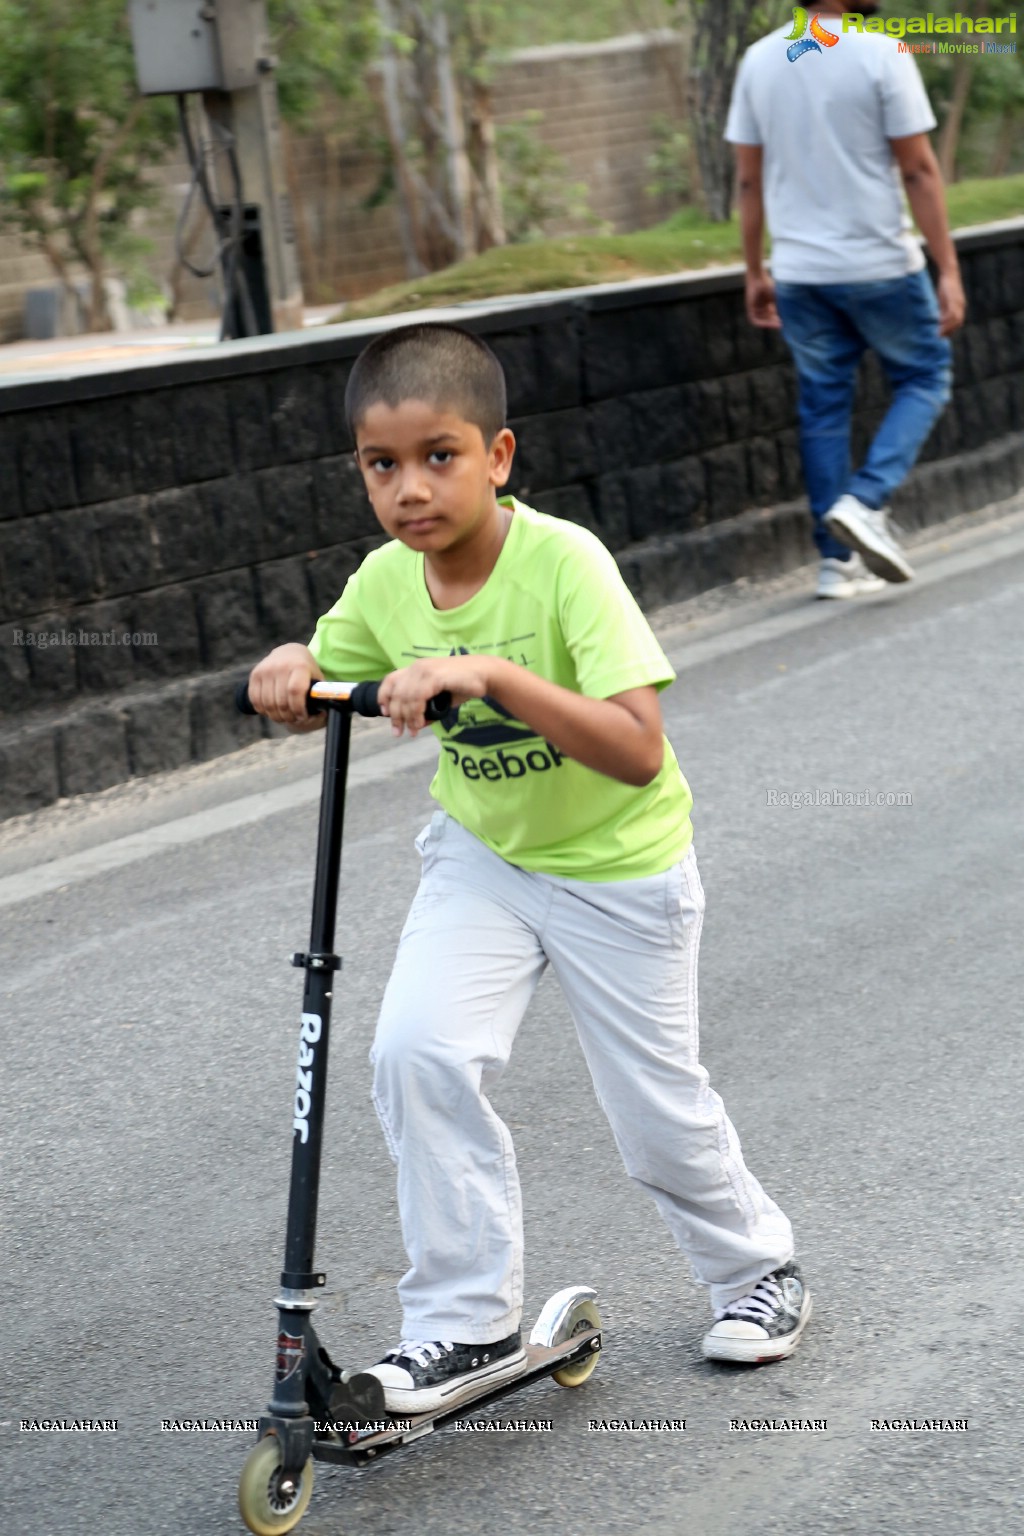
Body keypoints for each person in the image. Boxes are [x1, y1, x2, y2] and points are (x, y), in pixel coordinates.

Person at [247, 322, 811, 1413]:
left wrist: (492, 674)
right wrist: (291, 666)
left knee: (653, 1107)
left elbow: (637, 747)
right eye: (382, 465)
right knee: (416, 1053)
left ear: (498, 456)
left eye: (439, 456)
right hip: (486, 858)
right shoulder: (384, 582)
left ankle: (756, 1274)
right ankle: (460, 1324)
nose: (411, 488)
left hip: (618, 866)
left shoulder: (563, 565)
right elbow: (326, 673)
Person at [725, 0, 966, 600]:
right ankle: (866, 501)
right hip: (880, 265)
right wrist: (949, 267)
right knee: (926, 376)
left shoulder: (759, 59)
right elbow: (919, 169)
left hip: (801, 274)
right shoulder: (882, 51)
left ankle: (836, 564)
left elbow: (748, 180)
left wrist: (756, 269)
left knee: (823, 407)